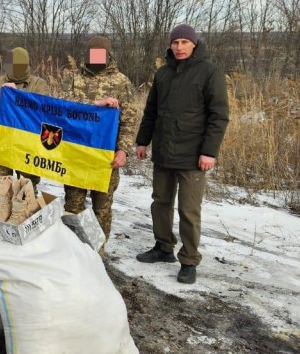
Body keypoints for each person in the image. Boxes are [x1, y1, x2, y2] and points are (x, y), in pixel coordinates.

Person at [135, 24, 230, 284]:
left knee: (188, 210)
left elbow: (219, 116)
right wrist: (142, 141)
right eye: (175, 43)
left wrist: (209, 152)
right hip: (164, 151)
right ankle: (163, 247)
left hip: (193, 155)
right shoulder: (163, 73)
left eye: (184, 43)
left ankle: (188, 260)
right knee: (160, 203)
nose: (179, 47)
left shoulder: (210, 72)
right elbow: (151, 111)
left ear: (194, 44)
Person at [59, 35, 139, 255]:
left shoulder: (121, 82)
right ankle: (74, 251)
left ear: (108, 54)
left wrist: (123, 150)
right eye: (92, 52)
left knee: (101, 208)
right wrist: (96, 105)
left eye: (100, 53)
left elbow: (129, 121)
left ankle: (96, 253)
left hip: (105, 158)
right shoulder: (73, 78)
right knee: (73, 206)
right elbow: (62, 109)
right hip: (76, 154)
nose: (96, 57)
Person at [0, 47, 50, 186]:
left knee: (26, 192)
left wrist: (17, 95)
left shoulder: (39, 85)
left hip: (28, 147)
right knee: (1, 188)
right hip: (1, 145)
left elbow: (43, 112)